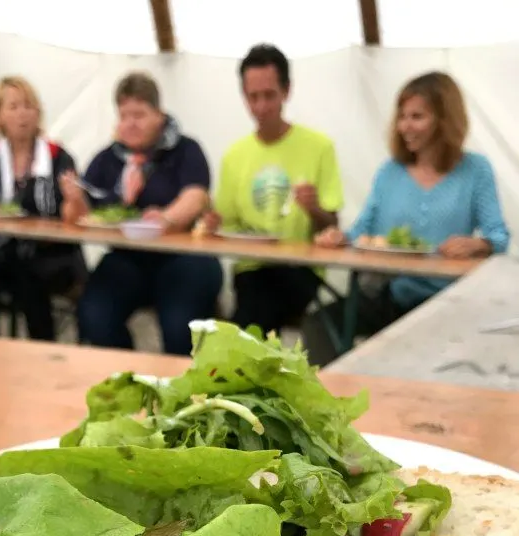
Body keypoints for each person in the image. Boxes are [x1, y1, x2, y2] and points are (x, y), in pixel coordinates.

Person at [315, 71, 510, 332]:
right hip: (391, 297)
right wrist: (339, 238)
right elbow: (362, 231)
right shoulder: (390, 172)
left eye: (416, 117)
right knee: (318, 328)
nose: (404, 126)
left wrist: (478, 244)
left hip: (447, 303)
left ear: (444, 120)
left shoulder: (475, 170)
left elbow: (499, 236)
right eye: (402, 117)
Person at [61, 72, 222, 356]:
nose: (130, 124)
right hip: (128, 258)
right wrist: (74, 199)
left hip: (184, 259)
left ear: (159, 115)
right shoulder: (107, 158)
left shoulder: (186, 150)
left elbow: (196, 196)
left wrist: (166, 219)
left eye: (139, 115)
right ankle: (128, 381)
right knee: (94, 314)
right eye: (124, 116)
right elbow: (82, 214)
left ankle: (181, 393)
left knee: (179, 327)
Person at [204, 44, 344, 334]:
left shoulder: (319, 147)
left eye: (269, 95)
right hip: (251, 268)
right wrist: (212, 223)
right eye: (253, 97)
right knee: (252, 299)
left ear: (287, 91)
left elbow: (333, 225)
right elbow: (226, 226)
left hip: (300, 266)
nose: (261, 107)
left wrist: (314, 208)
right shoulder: (234, 155)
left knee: (253, 312)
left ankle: (238, 362)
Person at [0, 76, 86, 340]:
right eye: (13, 107)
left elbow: (74, 218)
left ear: (38, 113)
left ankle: (42, 354)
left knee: (28, 282)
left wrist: (74, 198)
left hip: (52, 254)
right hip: (2, 252)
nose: (22, 114)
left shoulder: (58, 156)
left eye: (28, 106)